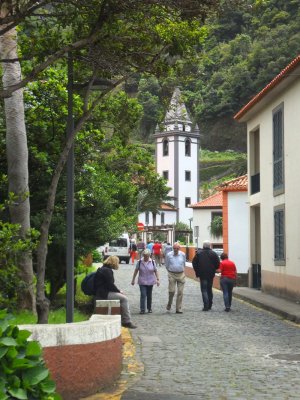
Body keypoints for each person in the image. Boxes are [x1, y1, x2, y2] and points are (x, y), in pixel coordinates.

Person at [94, 255, 137, 329]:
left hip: (100, 292)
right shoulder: (107, 271)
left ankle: (123, 319)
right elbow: (110, 285)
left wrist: (117, 291)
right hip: (103, 294)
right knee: (124, 299)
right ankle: (126, 321)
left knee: (121, 296)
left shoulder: (103, 269)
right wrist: (119, 291)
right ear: (114, 262)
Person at [192, 240, 220, 311]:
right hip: (211, 274)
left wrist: (197, 271)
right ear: (210, 245)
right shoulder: (214, 253)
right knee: (209, 289)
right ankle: (210, 304)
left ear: (203, 246)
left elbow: (194, 263)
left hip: (202, 274)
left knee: (204, 290)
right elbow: (218, 264)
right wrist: (214, 269)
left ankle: (206, 306)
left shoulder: (199, 253)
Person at [131, 249, 160, 314]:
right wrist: (133, 279)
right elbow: (136, 271)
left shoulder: (152, 262)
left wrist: (158, 279)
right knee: (143, 294)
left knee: (149, 295)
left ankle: (149, 308)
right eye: (144, 256)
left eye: (147, 256)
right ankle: (142, 309)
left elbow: (155, 271)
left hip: (150, 281)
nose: (145, 257)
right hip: (142, 281)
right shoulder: (140, 262)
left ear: (149, 255)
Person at [165, 242, 186, 314]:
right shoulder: (169, 255)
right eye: (174, 248)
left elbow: (184, 264)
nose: (175, 250)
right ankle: (169, 303)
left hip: (181, 274)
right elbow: (166, 265)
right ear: (172, 248)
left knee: (180, 292)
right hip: (172, 274)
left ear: (179, 248)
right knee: (172, 291)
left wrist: (181, 270)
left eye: (177, 248)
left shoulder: (183, 254)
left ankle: (178, 308)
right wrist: (171, 271)